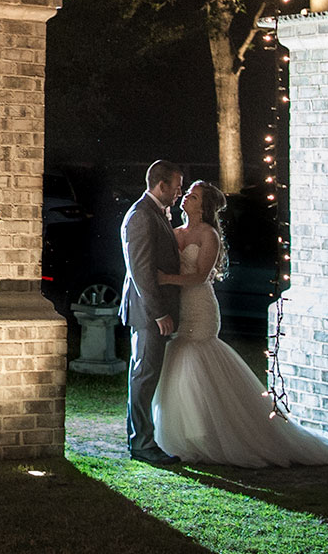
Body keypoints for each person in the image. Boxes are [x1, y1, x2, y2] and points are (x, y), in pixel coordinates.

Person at [152, 180, 328, 467]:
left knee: (197, 360)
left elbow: (200, 276)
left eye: (194, 195)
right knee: (179, 364)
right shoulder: (175, 232)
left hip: (200, 307)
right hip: (181, 308)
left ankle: (215, 436)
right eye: (187, 192)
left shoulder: (208, 235)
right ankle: (189, 434)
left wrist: (167, 279)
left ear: (204, 206)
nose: (187, 196)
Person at [119, 159, 184, 464]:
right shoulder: (142, 216)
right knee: (143, 377)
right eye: (177, 185)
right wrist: (159, 314)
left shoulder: (154, 213)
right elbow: (142, 271)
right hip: (148, 314)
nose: (179, 192)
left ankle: (143, 439)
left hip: (151, 313)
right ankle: (142, 444)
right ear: (162, 185)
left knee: (145, 375)